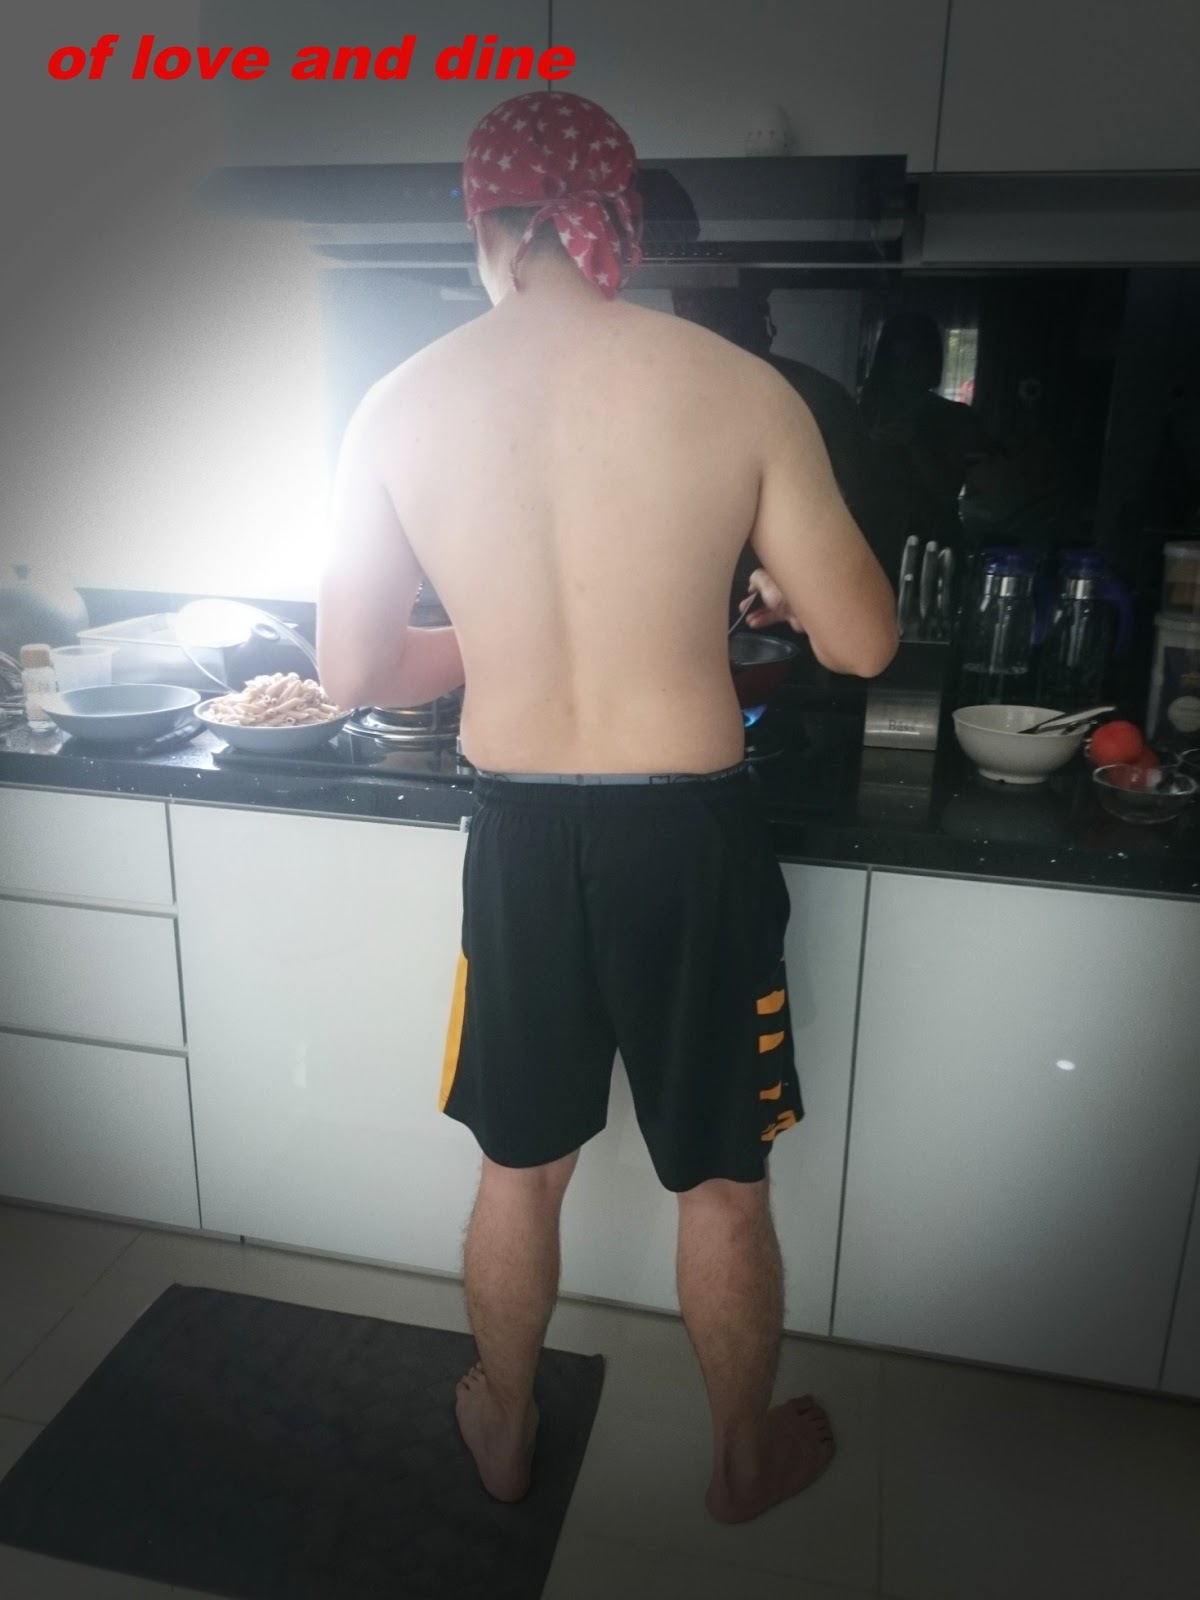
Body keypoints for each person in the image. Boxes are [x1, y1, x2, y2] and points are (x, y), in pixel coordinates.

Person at [317, 91, 897, 1523]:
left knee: (519, 1172)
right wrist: (756, 596)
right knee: (726, 1187)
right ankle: (742, 1459)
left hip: (521, 836)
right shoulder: (736, 387)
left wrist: (501, 633)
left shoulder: (397, 403)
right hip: (690, 837)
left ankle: (506, 1426)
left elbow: (356, 672)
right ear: (617, 222)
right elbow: (864, 643)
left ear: (486, 225)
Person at [858, 310, 991, 579]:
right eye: (895, 362)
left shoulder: (956, 417)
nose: (904, 373)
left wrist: (913, 443)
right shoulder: (865, 413)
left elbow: (946, 493)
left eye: (914, 362)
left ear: (932, 363)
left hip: (934, 544)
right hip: (874, 543)